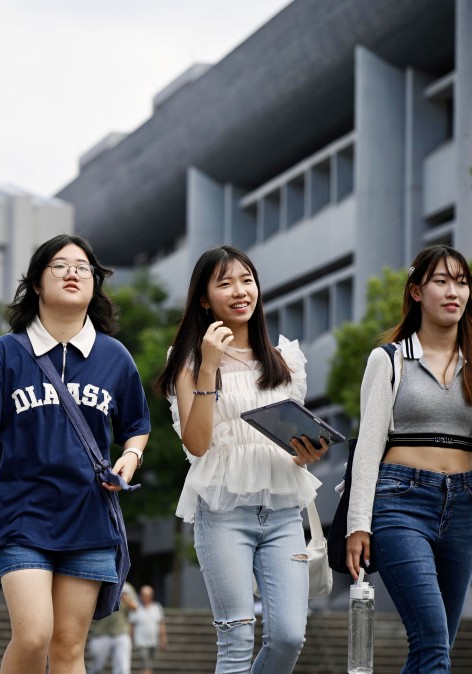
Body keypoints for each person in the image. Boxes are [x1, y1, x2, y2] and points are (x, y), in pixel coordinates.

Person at [0, 233, 151, 674]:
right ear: (37, 282)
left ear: (95, 283)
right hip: (23, 516)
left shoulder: (114, 357)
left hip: (89, 517)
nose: (73, 272)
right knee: (34, 634)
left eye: (83, 267)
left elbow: (137, 427)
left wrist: (130, 458)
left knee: (67, 647)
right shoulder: (2, 355)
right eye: (60, 265)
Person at [344, 244, 472, 672]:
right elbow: (368, 447)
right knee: (433, 644)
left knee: (433, 647)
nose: (453, 292)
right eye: (440, 281)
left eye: (461, 283)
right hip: (398, 502)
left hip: (463, 506)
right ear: (416, 292)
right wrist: (357, 524)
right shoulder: (387, 360)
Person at [155, 245, 328, 674]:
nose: (239, 291)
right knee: (235, 640)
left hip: (284, 512)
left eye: (246, 280)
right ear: (203, 298)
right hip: (222, 511)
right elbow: (196, 444)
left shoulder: (286, 360)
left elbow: (292, 441)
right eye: (225, 282)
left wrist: (307, 452)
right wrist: (210, 366)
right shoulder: (190, 362)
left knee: (289, 636)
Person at [87, 582, 138, 674]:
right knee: (96, 667)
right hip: (101, 632)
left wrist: (125, 599)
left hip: (121, 632)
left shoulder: (127, 587)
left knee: (123, 669)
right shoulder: (100, 582)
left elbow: (135, 607)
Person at [129, 585, 167, 674]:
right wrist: (130, 639)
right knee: (145, 663)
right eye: (143, 595)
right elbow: (131, 625)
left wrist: (163, 639)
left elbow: (161, 624)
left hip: (154, 641)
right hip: (141, 641)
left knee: (150, 664)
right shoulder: (136, 607)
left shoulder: (157, 607)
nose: (145, 597)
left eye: (147, 595)